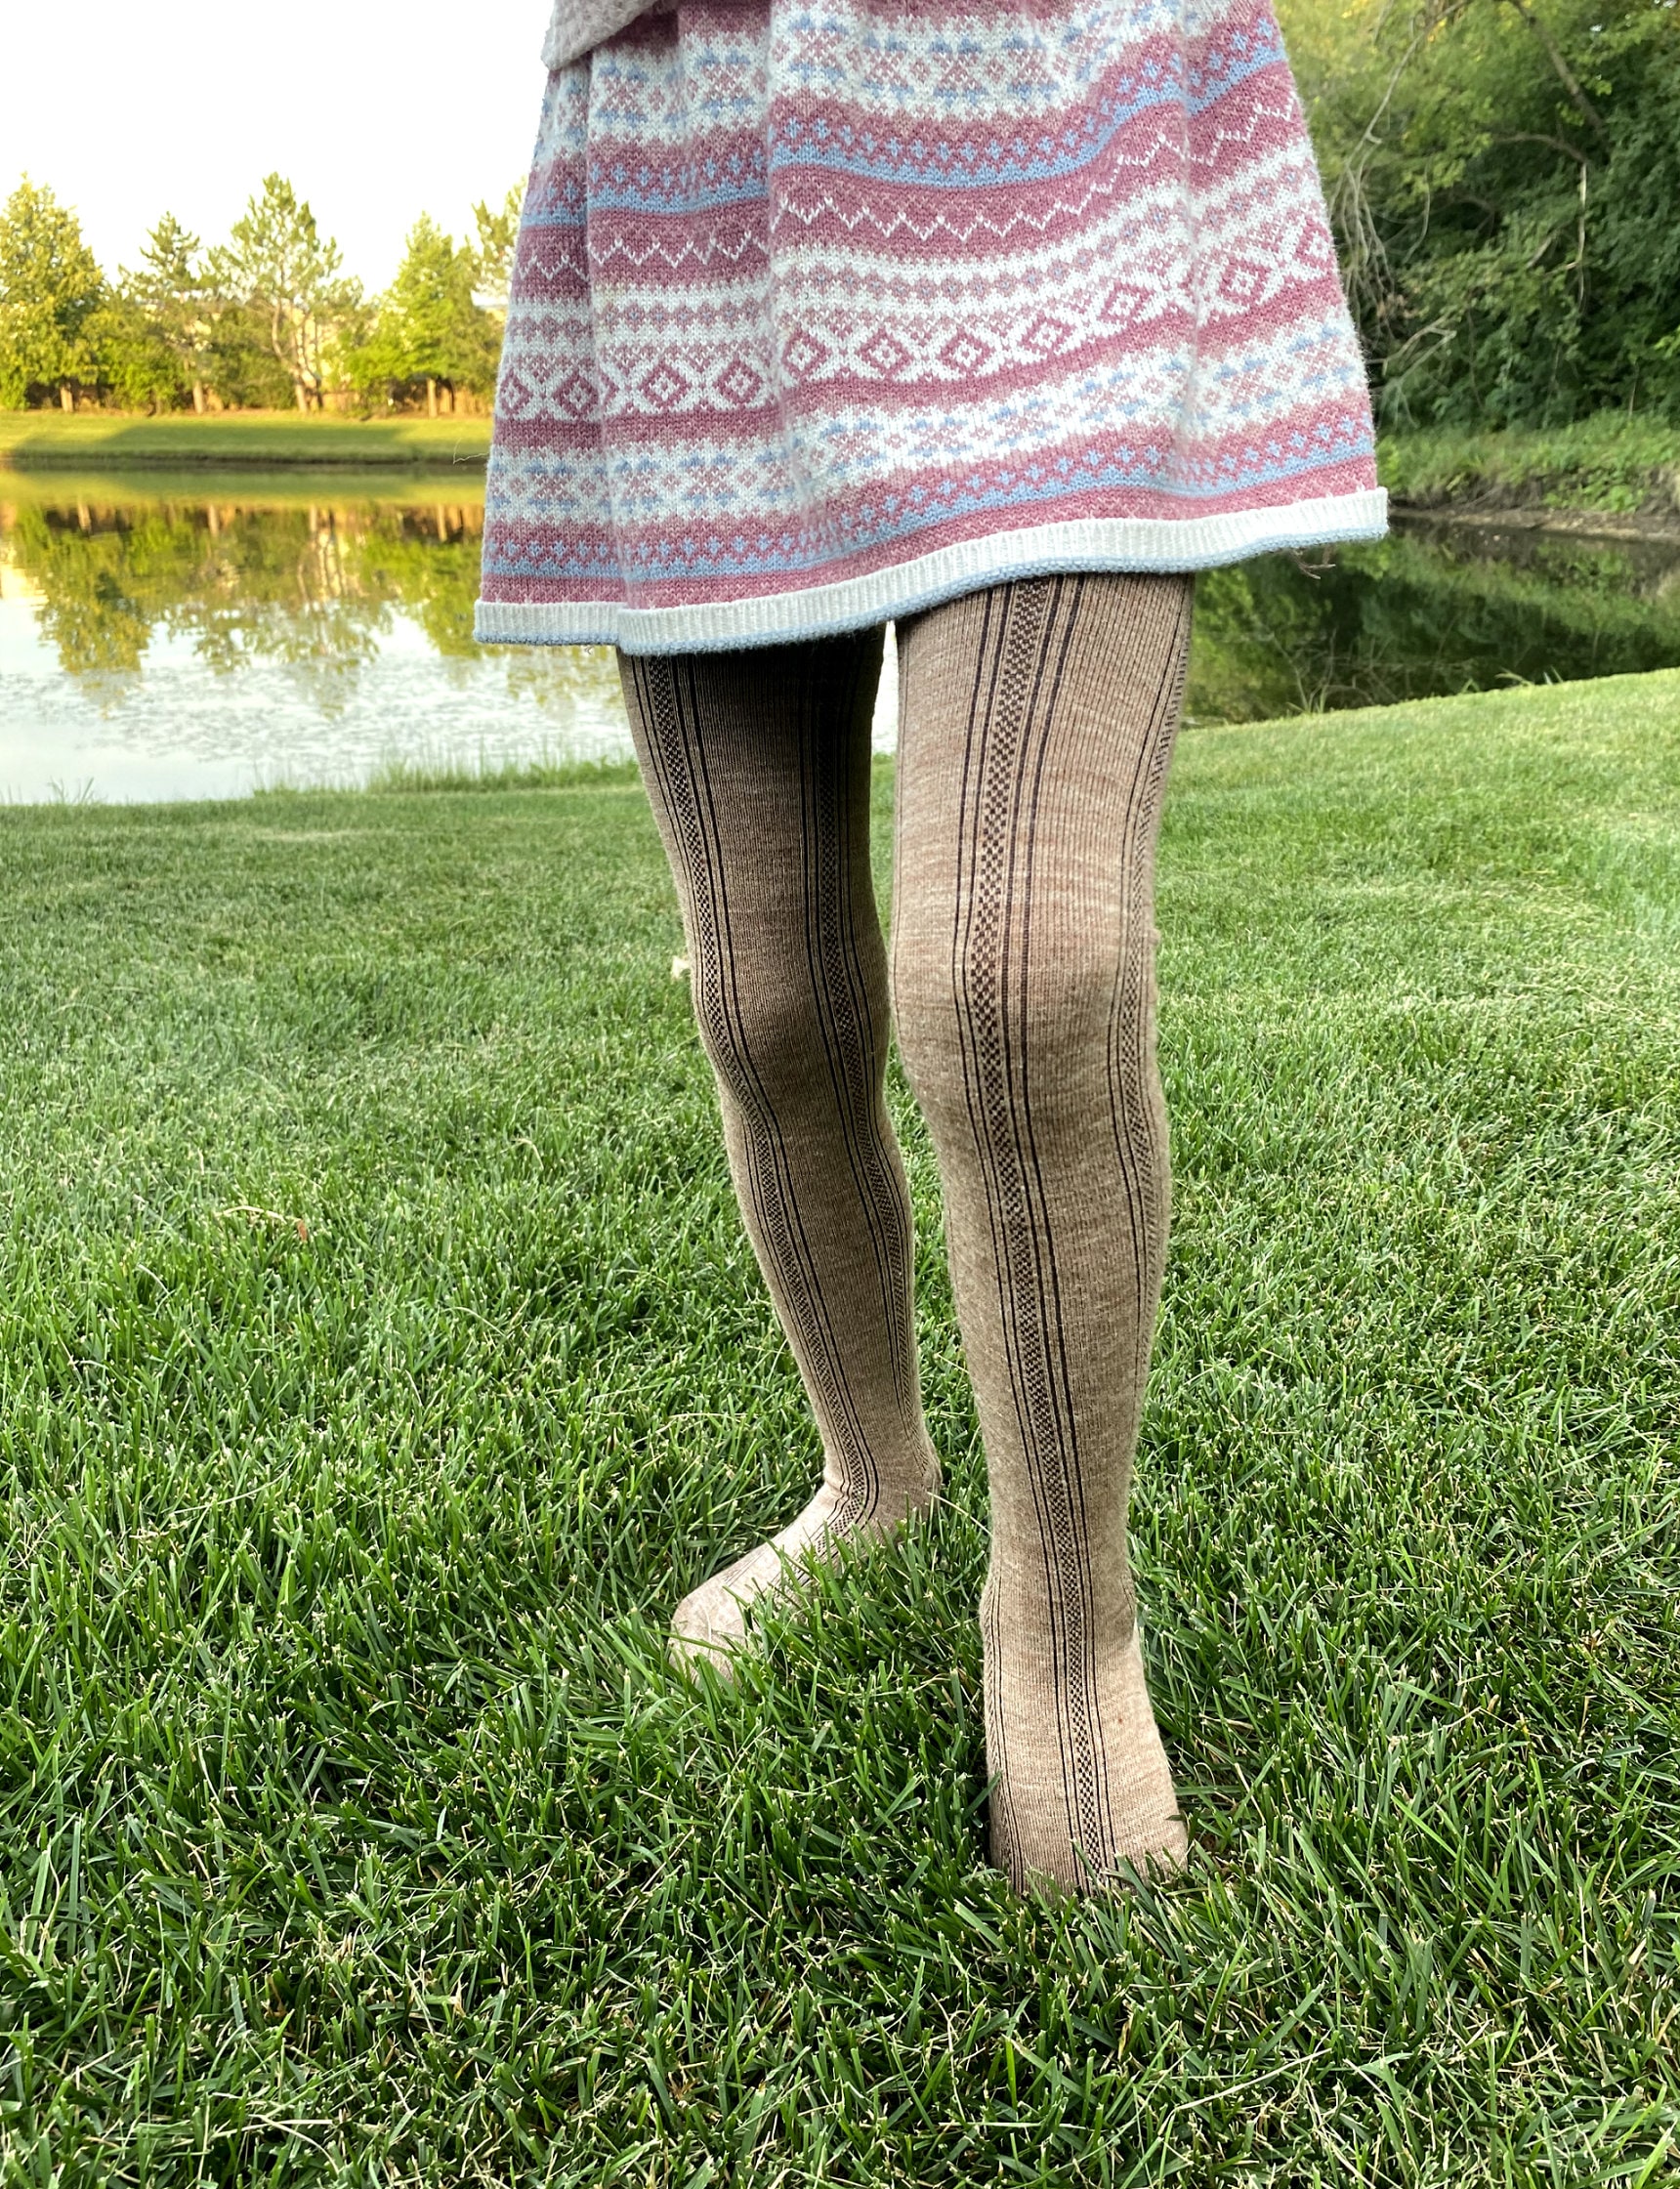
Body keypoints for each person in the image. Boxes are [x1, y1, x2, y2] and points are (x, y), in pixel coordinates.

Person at [477, 0, 1384, 1894]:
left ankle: (1065, 1624)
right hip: (698, 144)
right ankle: (875, 1484)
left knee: (1022, 977)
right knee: (769, 997)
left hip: (1057, 101)